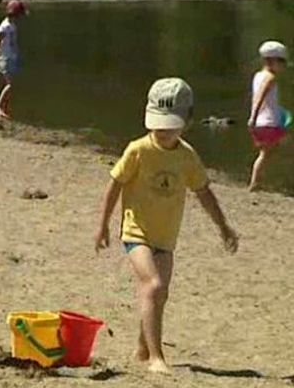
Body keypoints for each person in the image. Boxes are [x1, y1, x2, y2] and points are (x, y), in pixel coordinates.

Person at [95, 78, 238, 374]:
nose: (163, 131)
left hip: (166, 237)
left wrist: (224, 227)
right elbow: (114, 185)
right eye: (159, 124)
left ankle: (142, 347)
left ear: (187, 122)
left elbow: (204, 193)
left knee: (159, 294)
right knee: (154, 284)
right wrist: (103, 226)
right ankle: (156, 357)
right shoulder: (138, 150)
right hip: (136, 233)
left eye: (171, 125)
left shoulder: (187, 157)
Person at [247, 40, 288, 192]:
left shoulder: (258, 76)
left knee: (268, 153)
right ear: (271, 60)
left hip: (262, 121)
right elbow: (260, 96)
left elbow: (259, 98)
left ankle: (263, 181)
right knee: (266, 154)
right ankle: (255, 183)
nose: (283, 65)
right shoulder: (270, 78)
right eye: (281, 61)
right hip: (269, 122)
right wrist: (253, 116)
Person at [0, 0, 27, 121]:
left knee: (9, 85)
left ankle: (2, 110)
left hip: (11, 57)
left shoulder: (11, 25)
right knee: (10, 85)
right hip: (5, 59)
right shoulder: (5, 26)